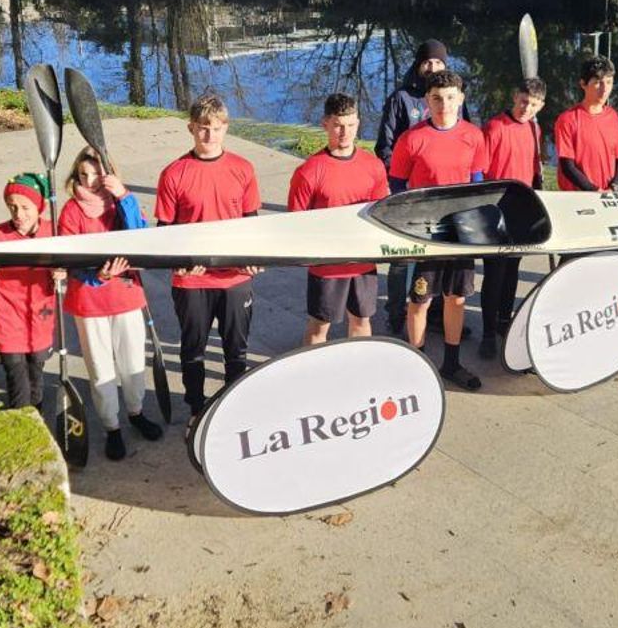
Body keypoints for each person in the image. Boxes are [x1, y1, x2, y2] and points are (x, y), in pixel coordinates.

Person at [155, 95, 263, 426]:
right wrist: (180, 262)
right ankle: (196, 409)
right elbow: (164, 232)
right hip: (193, 280)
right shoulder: (174, 173)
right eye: (203, 129)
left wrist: (254, 260)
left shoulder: (243, 169)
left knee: (236, 351)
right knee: (193, 350)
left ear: (226, 128)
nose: (210, 136)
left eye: (216, 129)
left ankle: (234, 406)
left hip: (234, 280)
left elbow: (252, 223)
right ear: (191, 128)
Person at [58, 145, 163, 461]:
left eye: (95, 175)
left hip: (126, 296)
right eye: (82, 175)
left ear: (108, 175)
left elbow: (140, 236)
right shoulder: (71, 211)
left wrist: (125, 196)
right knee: (101, 368)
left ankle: (135, 412)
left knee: (132, 363)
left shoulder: (120, 204)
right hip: (90, 301)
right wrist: (99, 276)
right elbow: (71, 262)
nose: (89, 182)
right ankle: (112, 427)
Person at [388, 70, 489, 390]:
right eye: (436, 98)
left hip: (460, 232)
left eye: (449, 98)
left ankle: (451, 363)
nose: (443, 104)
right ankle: (415, 362)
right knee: (420, 300)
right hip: (426, 233)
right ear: (426, 102)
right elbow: (397, 187)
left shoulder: (474, 136)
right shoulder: (411, 139)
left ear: (461, 99)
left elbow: (476, 183)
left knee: (456, 298)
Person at [375, 39, 474, 336]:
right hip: (410, 192)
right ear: (418, 65)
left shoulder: (454, 97)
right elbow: (385, 146)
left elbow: (464, 139)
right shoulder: (400, 98)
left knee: (443, 257)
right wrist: (403, 183)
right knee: (403, 259)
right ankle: (396, 315)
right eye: (427, 62)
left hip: (447, 198)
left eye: (438, 63)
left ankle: (437, 315)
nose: (432, 67)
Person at [287, 93, 390, 345]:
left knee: (361, 321)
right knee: (319, 326)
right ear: (325, 124)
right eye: (338, 125)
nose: (345, 132)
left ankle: (357, 372)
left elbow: (380, 214)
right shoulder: (309, 170)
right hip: (328, 265)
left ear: (358, 122)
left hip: (362, 262)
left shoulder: (373, 165)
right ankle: (313, 373)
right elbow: (295, 222)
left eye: (351, 125)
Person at [0, 173, 58, 417]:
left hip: (40, 315)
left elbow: (67, 269)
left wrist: (61, 273)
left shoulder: (53, 233)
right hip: (7, 316)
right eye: (12, 207)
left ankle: (37, 417)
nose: (18, 214)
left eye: (25, 207)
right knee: (16, 375)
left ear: (39, 206)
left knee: (36, 371)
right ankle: (23, 423)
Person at [478, 78, 546, 359]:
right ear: (514, 95)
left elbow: (534, 170)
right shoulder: (495, 127)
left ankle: (505, 322)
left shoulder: (534, 128)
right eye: (522, 101)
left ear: (540, 105)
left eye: (532, 104)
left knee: (513, 270)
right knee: (494, 272)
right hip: (496, 209)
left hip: (522, 208)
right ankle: (487, 332)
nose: (525, 108)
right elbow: (481, 172)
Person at [553, 56, 618, 193]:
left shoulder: (614, 118)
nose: (605, 89)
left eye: (609, 82)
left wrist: (613, 187)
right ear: (583, 84)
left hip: (607, 197)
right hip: (577, 198)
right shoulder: (567, 119)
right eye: (598, 83)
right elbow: (567, 166)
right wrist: (593, 190)